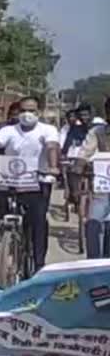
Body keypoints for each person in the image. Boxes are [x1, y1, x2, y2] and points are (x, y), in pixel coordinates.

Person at [0, 96, 60, 272]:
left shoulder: (48, 130)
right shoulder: (8, 131)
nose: (27, 114)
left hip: (39, 180)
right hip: (12, 179)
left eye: (32, 110)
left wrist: (52, 167)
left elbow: (51, 147)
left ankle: (38, 264)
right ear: (18, 112)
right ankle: (7, 227)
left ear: (39, 112)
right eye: (23, 110)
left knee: (37, 221)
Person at [74, 97, 110, 259]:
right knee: (92, 223)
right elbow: (84, 153)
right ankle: (93, 265)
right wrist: (79, 166)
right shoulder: (98, 132)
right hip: (103, 186)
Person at [0, 102, 21, 221]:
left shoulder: (32, 130)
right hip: (3, 163)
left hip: (26, 165)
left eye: (18, 114)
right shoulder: (3, 128)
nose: (15, 117)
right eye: (13, 114)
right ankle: (1, 208)